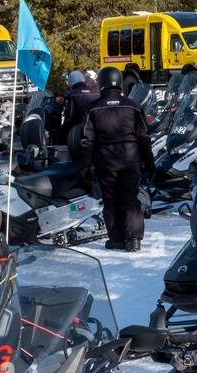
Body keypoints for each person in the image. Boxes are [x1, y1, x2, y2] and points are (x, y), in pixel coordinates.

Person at [80, 66, 151, 253]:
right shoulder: (133, 105)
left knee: (110, 200)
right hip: (130, 158)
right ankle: (134, 239)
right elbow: (144, 137)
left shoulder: (93, 108)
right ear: (120, 82)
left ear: (101, 83)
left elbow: (87, 140)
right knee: (131, 199)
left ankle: (117, 239)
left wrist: (85, 166)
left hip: (106, 161)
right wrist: (150, 163)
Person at [61, 69, 99, 139]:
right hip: (95, 130)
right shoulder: (95, 92)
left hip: (78, 131)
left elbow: (69, 116)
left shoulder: (72, 94)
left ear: (71, 82)